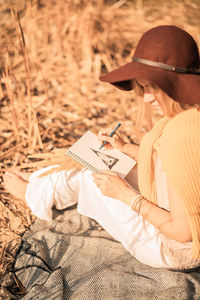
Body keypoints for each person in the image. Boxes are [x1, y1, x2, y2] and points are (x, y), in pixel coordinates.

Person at [3, 25, 200, 270]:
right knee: (106, 157)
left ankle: (35, 193)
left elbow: (184, 232)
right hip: (173, 224)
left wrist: (127, 196)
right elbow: (168, 166)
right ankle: (39, 185)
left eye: (154, 87)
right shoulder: (191, 119)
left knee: (92, 177)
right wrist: (124, 146)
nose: (147, 98)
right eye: (143, 87)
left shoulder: (182, 135)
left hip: (170, 249)